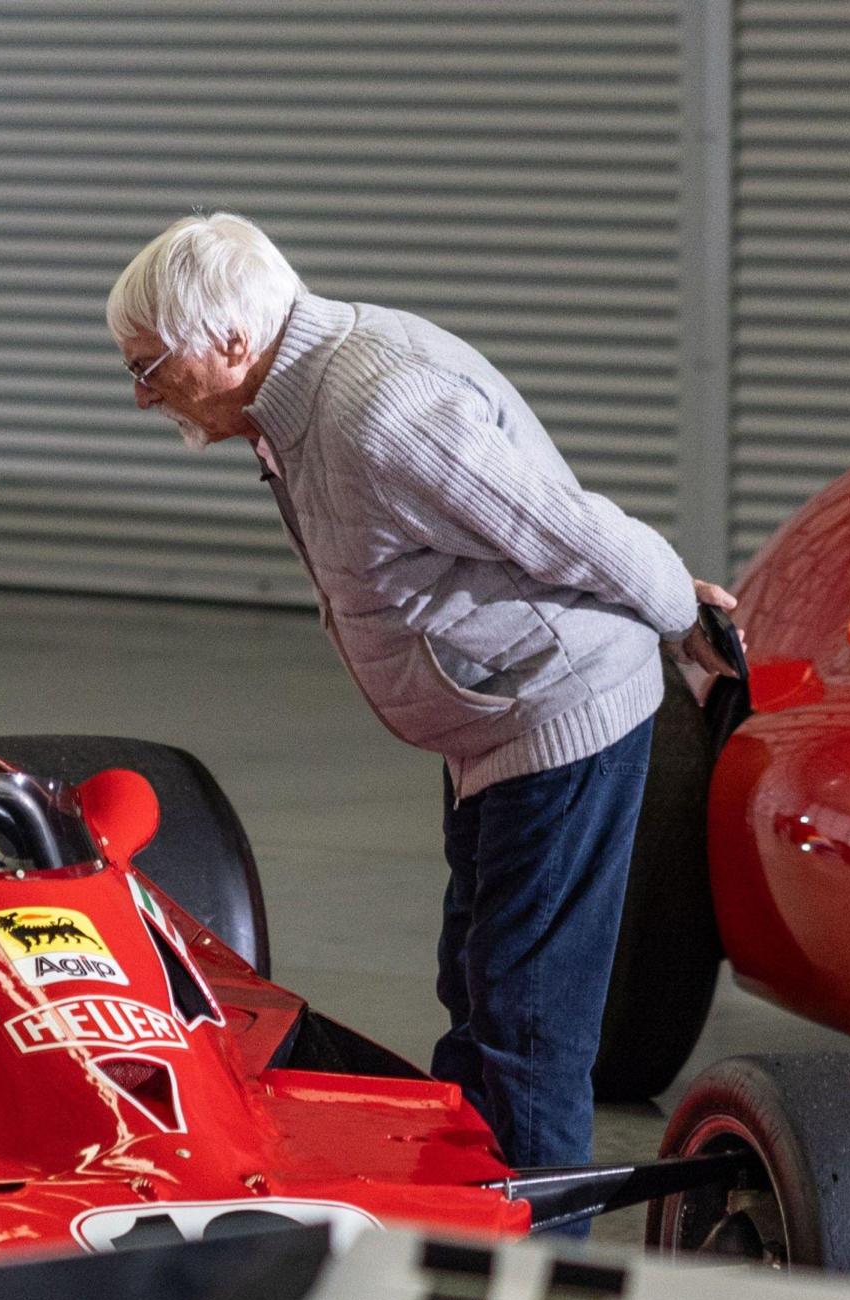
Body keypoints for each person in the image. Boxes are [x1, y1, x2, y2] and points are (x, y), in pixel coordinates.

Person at [108, 212, 730, 1177]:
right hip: (491, 724)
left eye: (150, 369)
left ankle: (535, 1285)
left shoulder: (378, 410)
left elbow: (560, 526)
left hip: (555, 715)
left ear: (232, 342)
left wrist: (675, 610)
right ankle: (459, 1214)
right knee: (477, 988)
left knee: (524, 1025)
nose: (143, 399)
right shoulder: (292, 401)